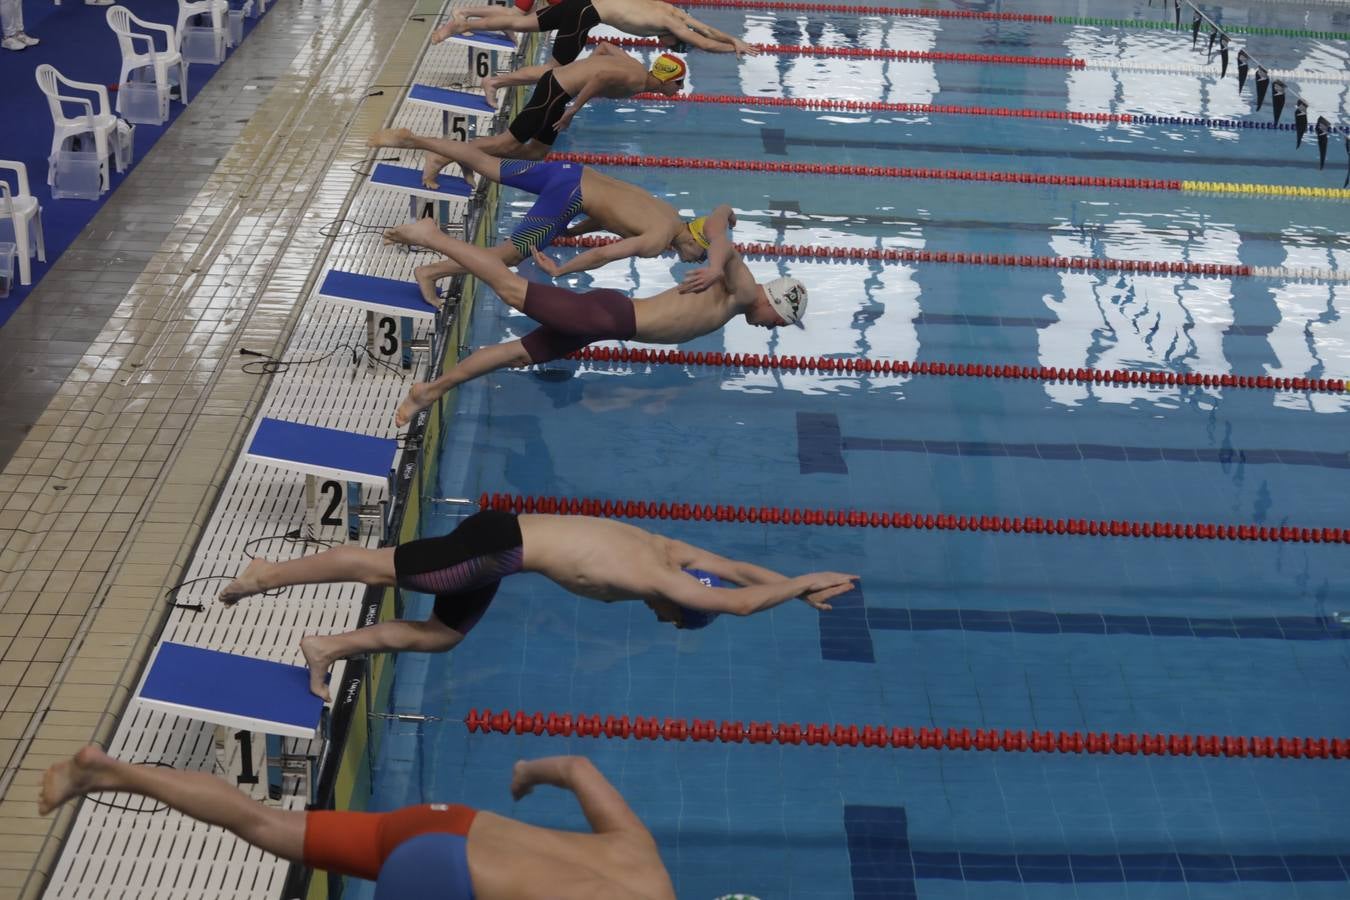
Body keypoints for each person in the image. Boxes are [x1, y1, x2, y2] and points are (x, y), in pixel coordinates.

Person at [219, 510, 856, 699]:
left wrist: (800, 592)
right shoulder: (671, 584)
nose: (665, 617)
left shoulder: (669, 550)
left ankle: (325, 648)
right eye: (677, 619)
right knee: (375, 566)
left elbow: (741, 573)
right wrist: (801, 582)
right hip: (494, 550)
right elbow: (743, 603)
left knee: (445, 635)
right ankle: (267, 574)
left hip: (505, 548)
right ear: (684, 608)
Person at [40, 748, 678, 899]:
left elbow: (575, 764)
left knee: (266, 824)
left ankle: (104, 771)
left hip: (447, 825)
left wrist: (527, 774)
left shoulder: (645, 859)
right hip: (442, 879)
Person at [381, 217, 808, 427]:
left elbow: (722, 216)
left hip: (605, 323)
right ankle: (431, 236)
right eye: (781, 322)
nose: (774, 329)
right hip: (608, 316)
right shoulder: (747, 291)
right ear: (774, 302)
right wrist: (715, 267)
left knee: (515, 354)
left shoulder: (737, 302)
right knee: (510, 289)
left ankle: (430, 390)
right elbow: (722, 238)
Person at [367, 128, 724, 306]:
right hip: (569, 196)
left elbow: (611, 217)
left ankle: (414, 140)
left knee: (485, 162)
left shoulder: (667, 214)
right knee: (509, 256)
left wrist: (572, 231)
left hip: (568, 173)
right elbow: (602, 254)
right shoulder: (656, 242)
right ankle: (431, 271)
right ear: (693, 239)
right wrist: (562, 269)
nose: (690, 259)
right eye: (697, 255)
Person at [450, 48, 686, 162]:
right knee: (508, 143)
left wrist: (578, 71)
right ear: (667, 79)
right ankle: (444, 156)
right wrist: (573, 110)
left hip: (559, 90)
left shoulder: (635, 66)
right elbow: (601, 77)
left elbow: (604, 46)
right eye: (679, 83)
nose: (681, 89)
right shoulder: (636, 80)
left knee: (537, 151)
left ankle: (474, 157)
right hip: (555, 90)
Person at [434, 0, 757, 64]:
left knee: (519, 21)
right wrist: (734, 49)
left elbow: (707, 29)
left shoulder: (672, 11)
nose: (666, 45)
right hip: (583, 12)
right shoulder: (673, 24)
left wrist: (734, 38)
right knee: (556, 70)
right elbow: (702, 40)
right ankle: (464, 24)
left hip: (582, 6)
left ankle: (463, 23)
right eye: (674, 45)